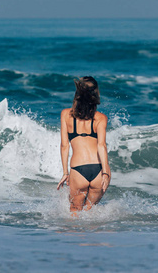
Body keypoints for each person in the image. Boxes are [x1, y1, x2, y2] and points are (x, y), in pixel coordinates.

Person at [57, 76, 111, 213]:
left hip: (78, 169)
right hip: (98, 170)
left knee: (75, 210)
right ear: (95, 94)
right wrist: (105, 173)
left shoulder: (65, 115)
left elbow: (64, 146)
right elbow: (102, 146)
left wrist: (65, 172)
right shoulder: (101, 118)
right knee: (91, 212)